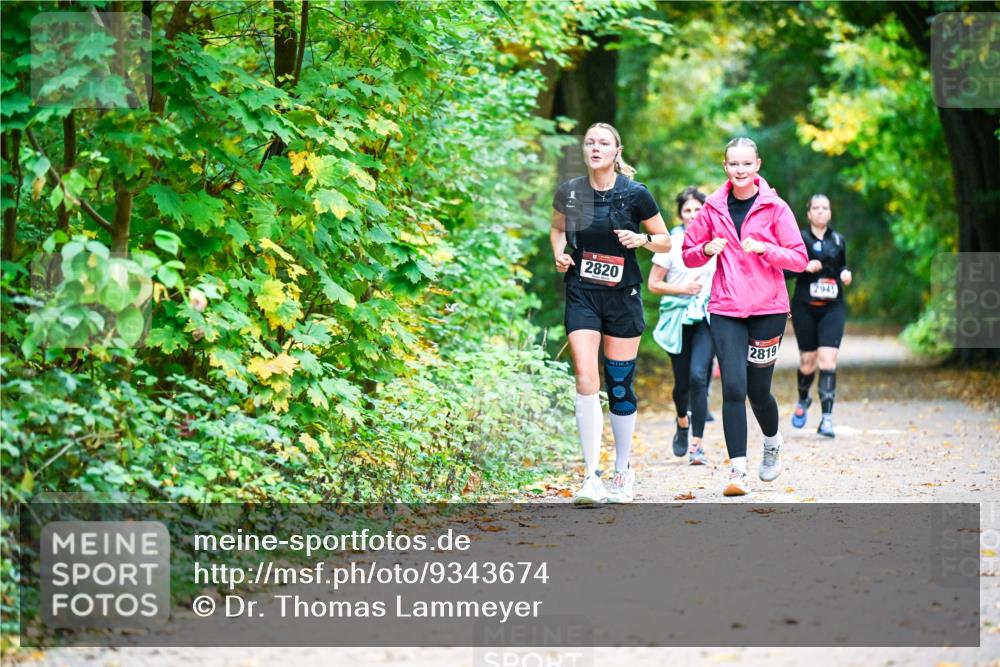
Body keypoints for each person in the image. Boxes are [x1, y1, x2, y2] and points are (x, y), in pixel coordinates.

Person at [551, 122, 671, 505]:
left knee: (619, 385)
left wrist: (643, 240)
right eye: (590, 142)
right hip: (582, 292)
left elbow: (666, 241)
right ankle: (591, 476)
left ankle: (622, 470)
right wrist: (559, 253)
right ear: (584, 150)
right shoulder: (569, 193)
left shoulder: (635, 194)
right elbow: (556, 230)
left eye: (604, 142)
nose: (596, 148)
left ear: (617, 151)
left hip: (622, 295)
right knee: (586, 378)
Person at [681, 137, 808, 497]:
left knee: (758, 391)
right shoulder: (712, 207)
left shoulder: (775, 207)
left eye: (746, 164)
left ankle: (772, 442)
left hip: (768, 309)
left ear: (758, 165)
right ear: (725, 166)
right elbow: (689, 254)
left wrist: (766, 249)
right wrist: (706, 248)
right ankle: (738, 472)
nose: (740, 170)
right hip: (726, 307)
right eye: (733, 164)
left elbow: (798, 260)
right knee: (733, 387)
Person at [649, 186, 715, 465]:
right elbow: (653, 284)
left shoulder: (716, 242)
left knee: (700, 378)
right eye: (687, 210)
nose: (693, 215)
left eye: (698, 209)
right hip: (677, 318)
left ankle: (697, 445)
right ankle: (682, 422)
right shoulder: (672, 244)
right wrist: (682, 289)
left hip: (707, 319)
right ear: (680, 214)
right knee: (683, 384)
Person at [788, 194, 852, 437]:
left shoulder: (838, 239)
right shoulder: (799, 239)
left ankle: (827, 419)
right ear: (809, 213)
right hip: (805, 307)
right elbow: (784, 269)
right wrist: (803, 267)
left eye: (825, 208)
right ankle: (803, 399)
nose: (820, 212)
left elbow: (842, 266)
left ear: (830, 212)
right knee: (808, 362)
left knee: (827, 361)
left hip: (832, 308)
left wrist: (846, 274)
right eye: (816, 208)